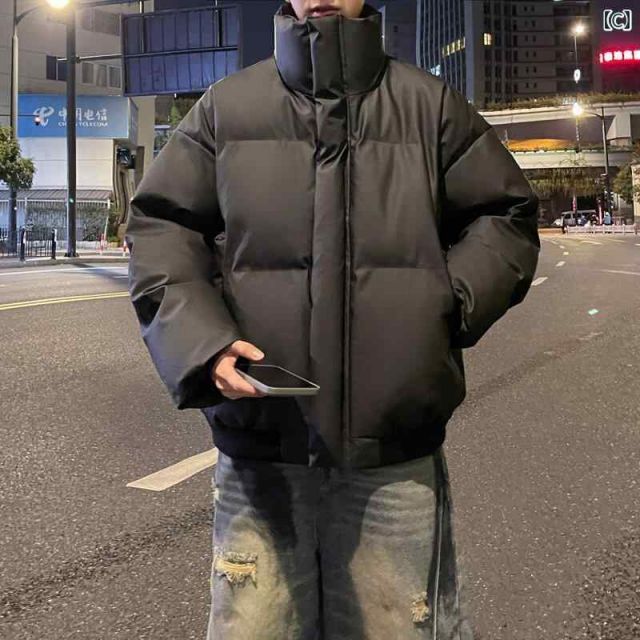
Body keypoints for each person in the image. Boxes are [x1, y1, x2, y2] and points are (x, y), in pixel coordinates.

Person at [125, 1, 540, 638]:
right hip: (261, 450)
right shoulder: (226, 109)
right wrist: (202, 343)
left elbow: (504, 216)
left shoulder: (430, 106)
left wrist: (445, 304)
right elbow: (161, 227)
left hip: (391, 460)